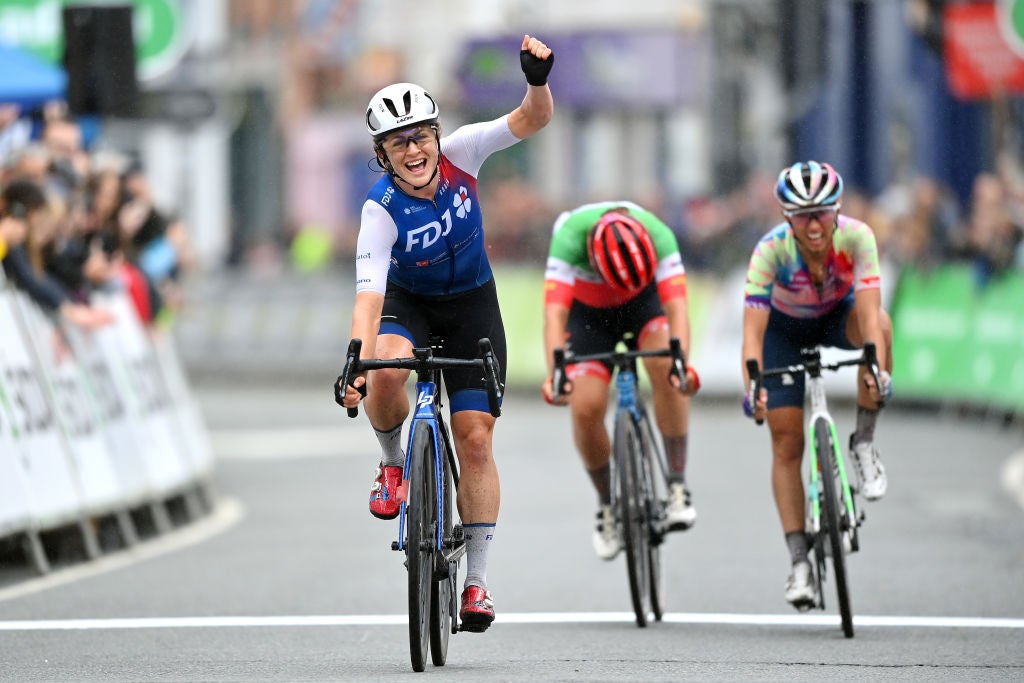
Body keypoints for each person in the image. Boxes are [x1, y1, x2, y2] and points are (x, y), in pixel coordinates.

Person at [335, 35, 554, 633]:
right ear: (382, 155)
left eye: (420, 136)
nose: (413, 150)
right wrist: (356, 361)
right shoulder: (379, 209)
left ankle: (477, 583)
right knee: (385, 367)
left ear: (436, 136)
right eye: (398, 143)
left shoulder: (465, 152)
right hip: (409, 305)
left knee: (476, 440)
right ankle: (391, 463)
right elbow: (369, 295)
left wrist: (536, 79)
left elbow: (533, 118)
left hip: (472, 307)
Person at [740, 161, 893, 611]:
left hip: (835, 319)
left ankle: (863, 442)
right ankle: (800, 562)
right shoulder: (770, 251)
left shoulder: (858, 237)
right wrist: (754, 384)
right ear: (787, 217)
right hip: (783, 334)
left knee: (880, 328)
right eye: (802, 215)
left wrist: (876, 368)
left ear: (837, 211)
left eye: (822, 213)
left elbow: (868, 312)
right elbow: (752, 332)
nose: (813, 225)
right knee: (786, 442)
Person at [540, 202, 701, 560]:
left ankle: (677, 486)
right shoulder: (569, 236)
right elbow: (554, 314)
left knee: (668, 372)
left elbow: (677, 309)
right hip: (588, 317)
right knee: (586, 407)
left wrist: (682, 365)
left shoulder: (660, 234)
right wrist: (556, 373)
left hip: (645, 304)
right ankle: (607, 506)